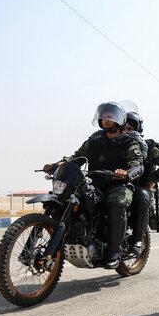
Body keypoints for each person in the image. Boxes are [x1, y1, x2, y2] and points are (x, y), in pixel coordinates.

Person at [43, 102, 144, 269]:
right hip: (94, 183)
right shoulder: (95, 139)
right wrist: (56, 165)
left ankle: (114, 251)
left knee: (115, 203)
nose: (106, 119)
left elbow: (138, 164)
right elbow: (76, 157)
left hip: (118, 185)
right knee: (71, 198)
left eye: (110, 116)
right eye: (104, 116)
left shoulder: (129, 141)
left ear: (119, 119)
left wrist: (126, 173)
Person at [123, 103, 159, 250]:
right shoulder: (113, 145)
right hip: (118, 187)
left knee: (142, 196)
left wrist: (151, 181)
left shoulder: (147, 146)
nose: (126, 131)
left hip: (139, 188)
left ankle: (137, 241)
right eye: (123, 128)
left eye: (130, 128)